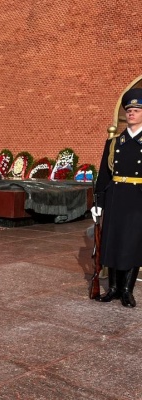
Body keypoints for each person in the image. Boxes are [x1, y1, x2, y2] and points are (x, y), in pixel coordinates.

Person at [92, 87, 142, 307]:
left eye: (136, 110)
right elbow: (104, 175)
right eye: (129, 110)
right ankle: (112, 288)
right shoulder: (114, 143)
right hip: (115, 196)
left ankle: (126, 291)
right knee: (112, 240)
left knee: (132, 243)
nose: (131, 113)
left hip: (137, 198)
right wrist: (98, 202)